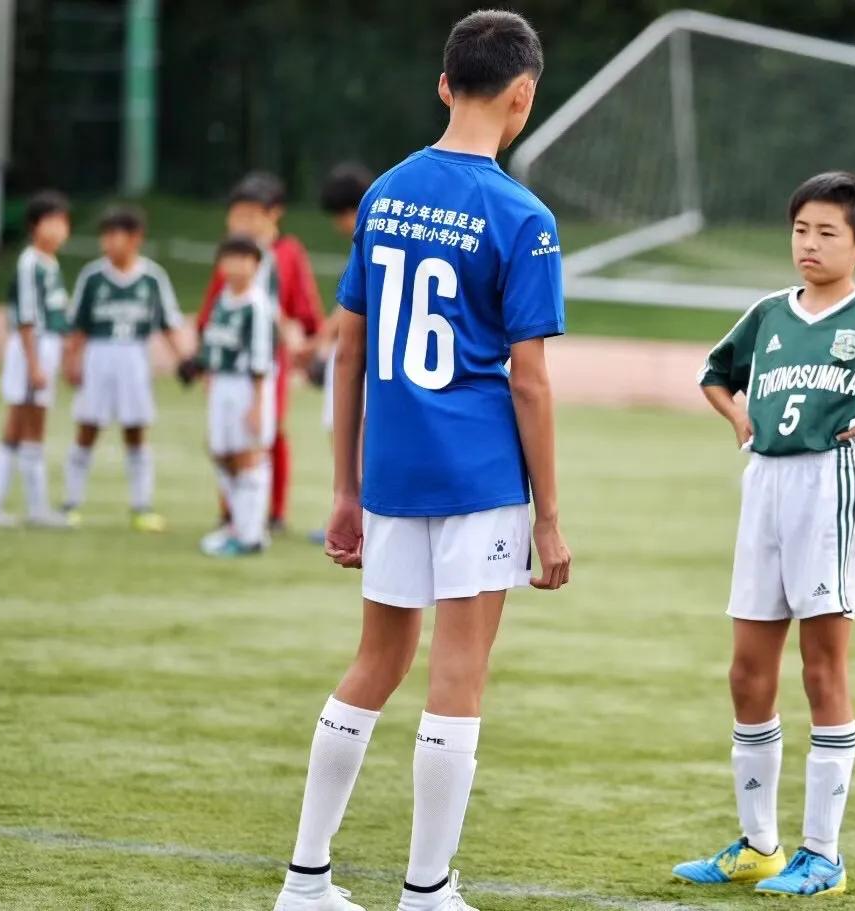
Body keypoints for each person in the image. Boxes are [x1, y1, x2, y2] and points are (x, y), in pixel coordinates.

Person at [271, 12, 570, 911]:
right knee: (457, 674)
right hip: (478, 478)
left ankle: (306, 878)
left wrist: (344, 487)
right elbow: (529, 382)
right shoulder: (522, 215)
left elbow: (349, 352)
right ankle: (426, 891)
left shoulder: (385, 194)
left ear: (444, 84)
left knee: (376, 660)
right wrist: (549, 517)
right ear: (523, 96)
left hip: (393, 475)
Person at [673, 172, 855, 898]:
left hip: (827, 485)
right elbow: (715, 374)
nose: (809, 243)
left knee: (821, 670)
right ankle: (759, 845)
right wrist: (738, 417)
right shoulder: (769, 314)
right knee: (747, 671)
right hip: (764, 487)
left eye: (827, 232)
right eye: (800, 229)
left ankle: (824, 854)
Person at [194, 171, 324, 538]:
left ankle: (273, 512)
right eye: (237, 215)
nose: (243, 223)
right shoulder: (233, 255)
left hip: (269, 359)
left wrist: (305, 346)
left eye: (251, 215)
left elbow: (304, 307)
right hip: (227, 362)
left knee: (268, 429)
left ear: (274, 213)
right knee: (225, 436)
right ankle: (231, 511)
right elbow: (211, 309)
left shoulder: (288, 253)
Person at [60, 204, 192, 531]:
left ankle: (141, 507)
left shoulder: (152, 277)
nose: (107, 242)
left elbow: (168, 323)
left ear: (135, 238)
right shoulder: (93, 276)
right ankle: (71, 503)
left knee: (136, 429)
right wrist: (71, 361)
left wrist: (184, 359)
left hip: (134, 356)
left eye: (114, 235)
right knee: (87, 427)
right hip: (99, 354)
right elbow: (78, 326)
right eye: (104, 235)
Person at [0, 190, 73, 528]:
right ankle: (23, 507)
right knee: (25, 423)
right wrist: (34, 363)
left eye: (63, 222)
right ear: (34, 226)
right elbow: (26, 318)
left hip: (45, 347)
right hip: (31, 348)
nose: (58, 229)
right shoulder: (30, 263)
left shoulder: (50, 264)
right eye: (51, 221)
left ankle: (6, 504)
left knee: (27, 424)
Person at [305, 162, 375, 545]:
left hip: (358, 356)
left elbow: (349, 307)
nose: (339, 225)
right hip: (364, 353)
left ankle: (357, 512)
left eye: (341, 215)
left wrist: (319, 342)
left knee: (348, 434)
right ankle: (356, 509)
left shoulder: (369, 237)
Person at [196, 236, 277, 557]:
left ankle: (251, 534)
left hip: (247, 385)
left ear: (256, 266)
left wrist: (257, 404)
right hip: (222, 384)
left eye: (244, 260)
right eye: (230, 259)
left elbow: (261, 356)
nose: (236, 266)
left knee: (249, 456)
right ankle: (239, 525)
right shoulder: (222, 299)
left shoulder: (256, 305)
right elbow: (214, 342)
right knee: (222, 453)